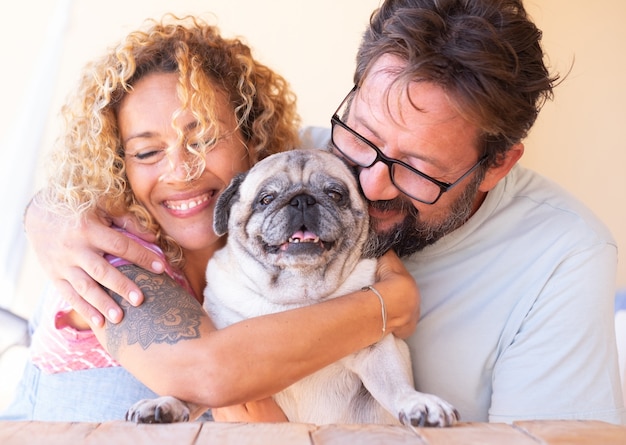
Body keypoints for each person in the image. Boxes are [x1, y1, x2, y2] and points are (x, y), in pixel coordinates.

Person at [20, 0, 625, 424]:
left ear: (496, 165)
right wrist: (49, 215)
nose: (369, 181)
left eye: (416, 167)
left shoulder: (563, 258)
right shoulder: (302, 163)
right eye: (360, 134)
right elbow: (166, 177)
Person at [3, 14, 418, 422]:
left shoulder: (283, 230)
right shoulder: (111, 255)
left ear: (253, 140)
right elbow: (211, 375)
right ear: (119, 167)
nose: (181, 171)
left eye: (203, 140)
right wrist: (391, 303)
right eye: (147, 152)